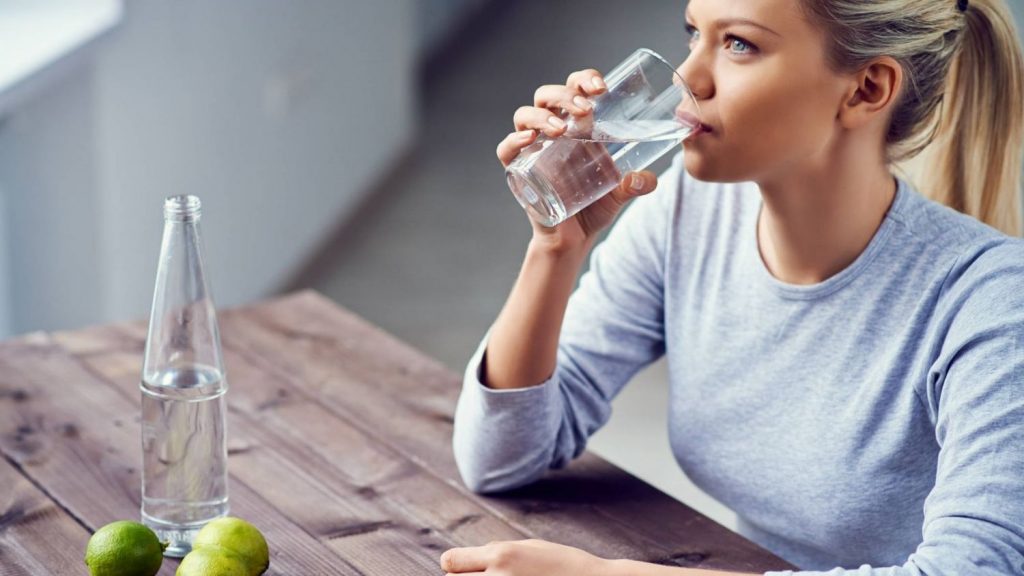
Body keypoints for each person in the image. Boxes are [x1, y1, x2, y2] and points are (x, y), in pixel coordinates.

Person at [439, 0, 1024, 574]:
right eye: (693, 33)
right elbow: (500, 460)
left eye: (739, 44)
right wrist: (555, 247)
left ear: (867, 89)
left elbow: (975, 567)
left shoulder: (994, 301)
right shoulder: (687, 211)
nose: (688, 78)